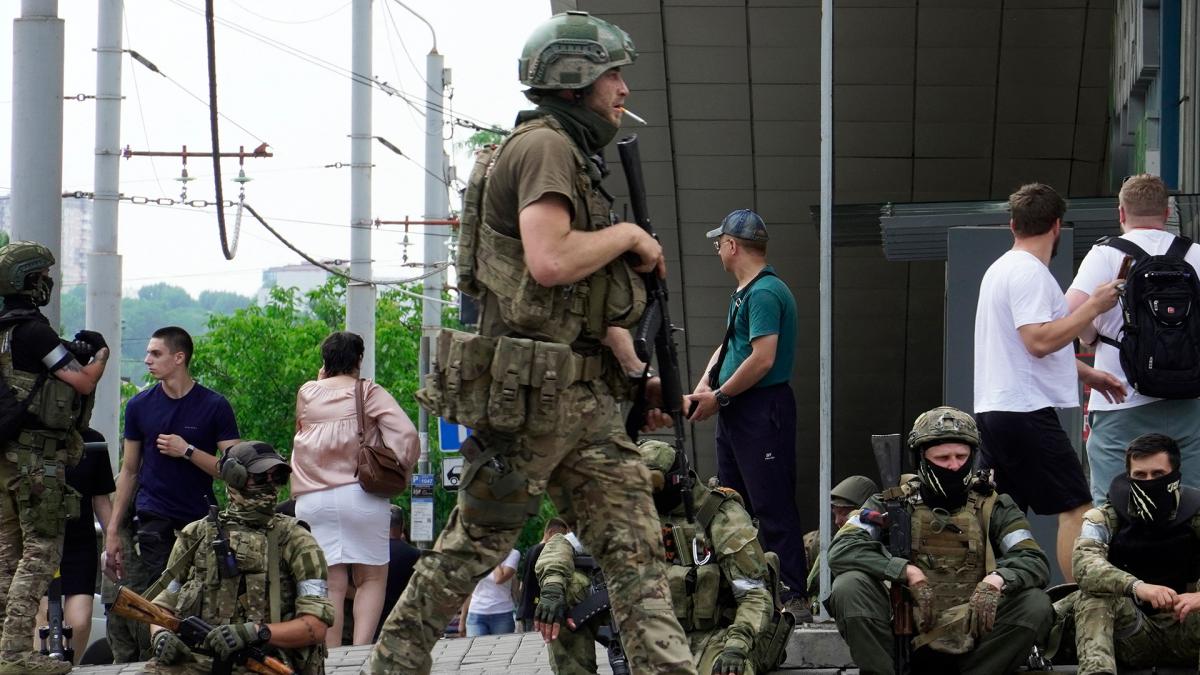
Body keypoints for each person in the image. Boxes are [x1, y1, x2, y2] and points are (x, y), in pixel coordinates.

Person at [365, 11, 695, 674]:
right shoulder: (545, 148)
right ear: (574, 79)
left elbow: (579, 303)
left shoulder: (571, 153)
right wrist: (630, 237)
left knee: (636, 557)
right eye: (612, 75)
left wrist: (636, 377)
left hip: (583, 399)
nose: (623, 89)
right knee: (473, 544)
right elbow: (549, 260)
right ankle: (392, 664)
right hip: (534, 401)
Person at [973, 182, 1125, 580]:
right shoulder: (1029, 273)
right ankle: (1076, 602)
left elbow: (1022, 347)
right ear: (1057, 225)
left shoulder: (1000, 269)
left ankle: (993, 600)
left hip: (995, 409)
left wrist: (1087, 372)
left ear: (1012, 225)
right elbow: (1038, 340)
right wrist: (1094, 305)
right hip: (1025, 409)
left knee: (1002, 515)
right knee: (1077, 506)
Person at [828, 406, 1053, 675]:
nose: (954, 465)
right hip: (904, 632)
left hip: (973, 632)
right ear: (922, 457)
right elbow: (842, 549)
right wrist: (905, 571)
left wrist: (998, 580)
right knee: (849, 586)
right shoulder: (889, 503)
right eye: (943, 457)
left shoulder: (994, 506)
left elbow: (1034, 560)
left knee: (1034, 603)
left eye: (962, 456)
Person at [535, 440, 787, 674]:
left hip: (713, 636)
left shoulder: (722, 517)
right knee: (566, 592)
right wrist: (552, 585)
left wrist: (738, 645)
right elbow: (562, 543)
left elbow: (753, 593)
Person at [683, 208, 808, 615]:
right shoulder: (745, 292)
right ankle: (745, 593)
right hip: (738, 407)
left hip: (760, 407)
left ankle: (792, 595)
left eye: (720, 242)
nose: (717, 248)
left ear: (733, 245)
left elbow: (762, 359)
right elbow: (730, 346)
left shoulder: (765, 293)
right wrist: (707, 384)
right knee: (731, 503)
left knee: (771, 505)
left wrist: (718, 397)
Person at [0, 241, 109, 674]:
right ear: (30, 281)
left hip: (3, 457)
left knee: (7, 555)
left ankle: (3, 649)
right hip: (35, 459)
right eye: (43, 277)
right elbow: (81, 382)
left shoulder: (5, 330)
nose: (47, 283)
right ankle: (16, 655)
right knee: (41, 553)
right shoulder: (33, 331)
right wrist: (98, 357)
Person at [104, 326, 240, 661]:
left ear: (179, 358)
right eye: (148, 353)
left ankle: (198, 658)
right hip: (154, 514)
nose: (147, 359)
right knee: (161, 590)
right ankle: (158, 659)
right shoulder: (138, 406)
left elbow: (236, 470)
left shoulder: (214, 406)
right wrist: (112, 531)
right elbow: (129, 470)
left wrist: (188, 450)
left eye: (155, 353)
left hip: (200, 517)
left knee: (201, 593)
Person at [140, 440, 332, 674]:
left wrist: (257, 632)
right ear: (235, 477)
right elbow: (162, 606)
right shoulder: (196, 535)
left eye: (278, 478)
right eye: (261, 478)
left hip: (263, 662)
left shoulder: (297, 540)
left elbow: (316, 626)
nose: (271, 487)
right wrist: (161, 634)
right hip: (197, 661)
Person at [1066, 174, 1200, 504]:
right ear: (1167, 212)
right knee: (1192, 507)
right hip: (1189, 403)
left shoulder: (1105, 255)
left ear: (1121, 213)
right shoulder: (1196, 254)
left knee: (1113, 509)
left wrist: (1091, 333)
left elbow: (1067, 317)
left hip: (1119, 400)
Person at [290, 330, 419, 647]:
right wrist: (403, 466)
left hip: (311, 499)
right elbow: (408, 436)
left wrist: (320, 379)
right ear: (359, 360)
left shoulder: (307, 392)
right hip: (360, 495)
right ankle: (359, 651)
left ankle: (330, 655)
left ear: (325, 361)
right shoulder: (368, 392)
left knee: (331, 580)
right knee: (371, 577)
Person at [1054, 433, 1200, 673]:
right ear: (1128, 477)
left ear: (1175, 475)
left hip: (1186, 629)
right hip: (1134, 632)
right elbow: (1084, 566)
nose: (1149, 481)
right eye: (1140, 475)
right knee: (1093, 594)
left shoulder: (1195, 512)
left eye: (1158, 474)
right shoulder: (1105, 517)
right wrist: (1137, 586)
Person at [33, 428, 115, 664]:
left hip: (79, 543)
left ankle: (70, 667)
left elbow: (101, 498)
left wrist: (112, 539)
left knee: (79, 621)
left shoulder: (93, 442)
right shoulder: (30, 432)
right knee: (43, 620)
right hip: (38, 540)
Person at [804, 474, 879, 598]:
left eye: (844, 514)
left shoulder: (882, 545)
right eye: (835, 514)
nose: (837, 521)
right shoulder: (815, 543)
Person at [376, 506, 420, 641]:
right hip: (405, 620)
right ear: (402, 526)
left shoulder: (369, 554)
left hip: (373, 621)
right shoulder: (415, 554)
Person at [460, 550, 520, 637]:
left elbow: (499, 579)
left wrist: (493, 555)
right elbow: (469, 590)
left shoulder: (513, 554)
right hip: (476, 614)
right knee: (477, 649)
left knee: (502, 650)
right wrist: (462, 619)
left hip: (502, 614)